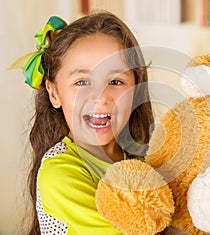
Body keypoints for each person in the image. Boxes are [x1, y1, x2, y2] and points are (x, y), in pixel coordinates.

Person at [12, 11, 154, 234]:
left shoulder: (141, 160)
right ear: (54, 93)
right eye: (82, 81)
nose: (100, 96)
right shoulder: (58, 174)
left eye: (115, 81)